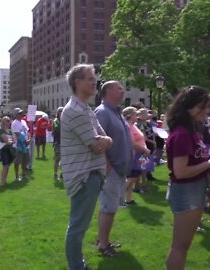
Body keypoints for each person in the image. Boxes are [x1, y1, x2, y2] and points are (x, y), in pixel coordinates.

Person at [164, 86, 210, 270]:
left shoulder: (192, 130)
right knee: (180, 246)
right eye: (203, 107)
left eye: (208, 107)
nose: (207, 112)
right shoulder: (182, 134)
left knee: (183, 245)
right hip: (186, 191)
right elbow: (181, 171)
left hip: (193, 190)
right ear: (188, 106)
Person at [61, 64, 113, 270]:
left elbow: (106, 138)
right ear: (77, 82)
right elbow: (97, 145)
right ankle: (76, 267)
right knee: (77, 227)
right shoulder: (76, 110)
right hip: (84, 176)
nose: (95, 82)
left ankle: (77, 265)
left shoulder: (85, 108)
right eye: (90, 79)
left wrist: (106, 140)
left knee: (79, 226)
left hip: (90, 175)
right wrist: (105, 141)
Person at [93, 81, 133, 257]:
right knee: (109, 208)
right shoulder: (102, 112)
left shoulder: (117, 113)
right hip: (110, 169)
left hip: (119, 169)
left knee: (110, 208)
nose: (123, 91)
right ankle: (103, 245)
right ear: (108, 91)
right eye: (119, 88)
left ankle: (103, 239)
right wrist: (106, 163)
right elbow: (96, 140)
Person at [122, 106, 151, 205]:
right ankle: (118, 194)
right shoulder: (128, 126)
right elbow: (132, 143)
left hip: (139, 153)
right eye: (135, 114)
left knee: (133, 175)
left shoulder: (133, 125)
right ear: (130, 115)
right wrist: (144, 149)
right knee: (134, 176)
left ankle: (128, 199)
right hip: (134, 154)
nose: (137, 116)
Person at [0, 116, 16, 185]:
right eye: (7, 120)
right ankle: (2, 182)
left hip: (9, 149)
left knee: (8, 165)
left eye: (9, 120)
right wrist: (11, 140)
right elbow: (6, 141)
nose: (9, 122)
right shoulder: (1, 131)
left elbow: (14, 140)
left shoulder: (10, 131)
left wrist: (11, 140)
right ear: (3, 122)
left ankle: (5, 180)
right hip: (3, 150)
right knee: (5, 165)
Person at [11, 108, 30, 181]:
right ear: (16, 115)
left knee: (25, 160)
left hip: (25, 144)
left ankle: (23, 174)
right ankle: (16, 176)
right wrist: (25, 141)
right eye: (19, 113)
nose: (21, 115)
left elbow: (27, 131)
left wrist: (28, 139)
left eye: (21, 113)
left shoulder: (23, 122)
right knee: (17, 161)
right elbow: (17, 134)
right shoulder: (15, 123)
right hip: (18, 145)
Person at [53, 107, 64, 181]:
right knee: (57, 158)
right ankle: (55, 173)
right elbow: (57, 129)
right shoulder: (56, 121)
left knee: (64, 159)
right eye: (60, 112)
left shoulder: (65, 121)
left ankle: (62, 173)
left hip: (65, 142)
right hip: (58, 142)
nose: (61, 113)